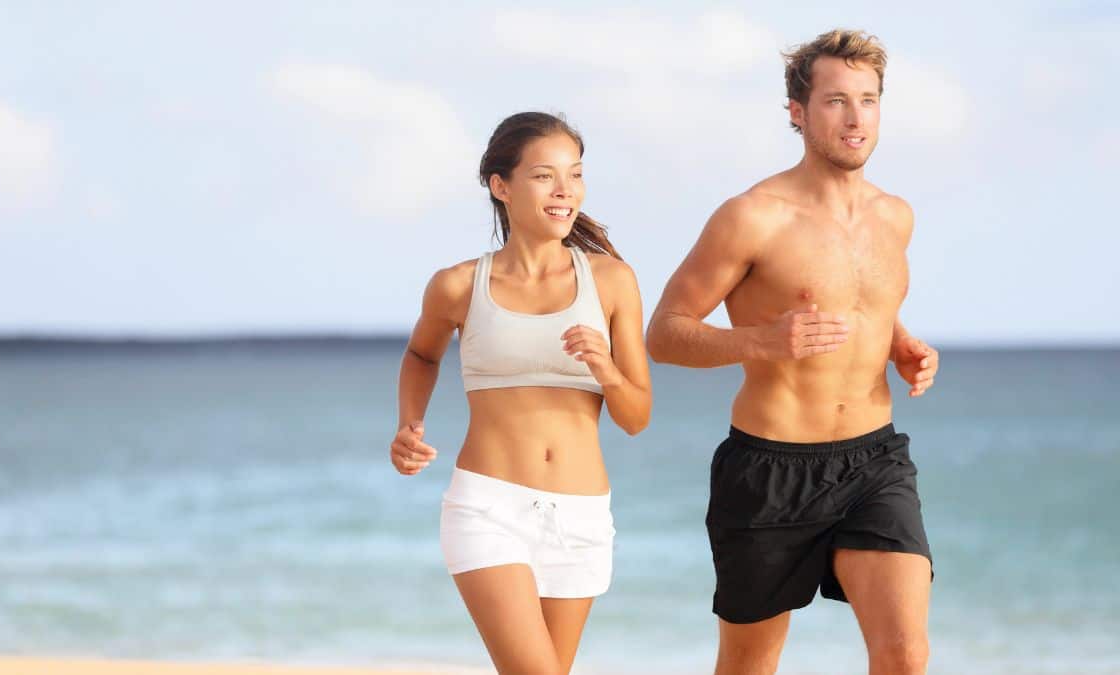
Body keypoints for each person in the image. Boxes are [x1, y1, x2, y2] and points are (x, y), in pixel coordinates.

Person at [646, 30, 940, 675]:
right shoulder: (752, 216)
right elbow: (664, 333)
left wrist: (901, 343)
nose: (856, 117)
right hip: (768, 469)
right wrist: (759, 341)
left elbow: (866, 304)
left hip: (873, 460)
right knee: (750, 665)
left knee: (905, 655)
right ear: (798, 113)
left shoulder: (896, 216)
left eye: (868, 99)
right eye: (836, 100)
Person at [390, 111, 651, 675]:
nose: (565, 191)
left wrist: (606, 368)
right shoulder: (459, 284)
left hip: (581, 515)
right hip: (489, 508)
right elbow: (420, 355)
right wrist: (409, 423)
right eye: (544, 176)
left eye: (575, 175)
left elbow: (637, 417)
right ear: (500, 186)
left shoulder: (612, 281)